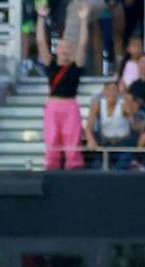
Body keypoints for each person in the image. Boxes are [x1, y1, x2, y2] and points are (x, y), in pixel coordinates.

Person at [36, 4, 89, 171]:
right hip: (53, 106)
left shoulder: (76, 65)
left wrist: (83, 20)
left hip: (70, 105)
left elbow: (83, 42)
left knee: (72, 143)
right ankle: (52, 172)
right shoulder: (50, 64)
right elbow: (40, 41)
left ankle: (74, 172)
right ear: (57, 50)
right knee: (52, 142)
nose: (65, 50)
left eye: (68, 47)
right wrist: (41, 18)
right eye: (62, 47)